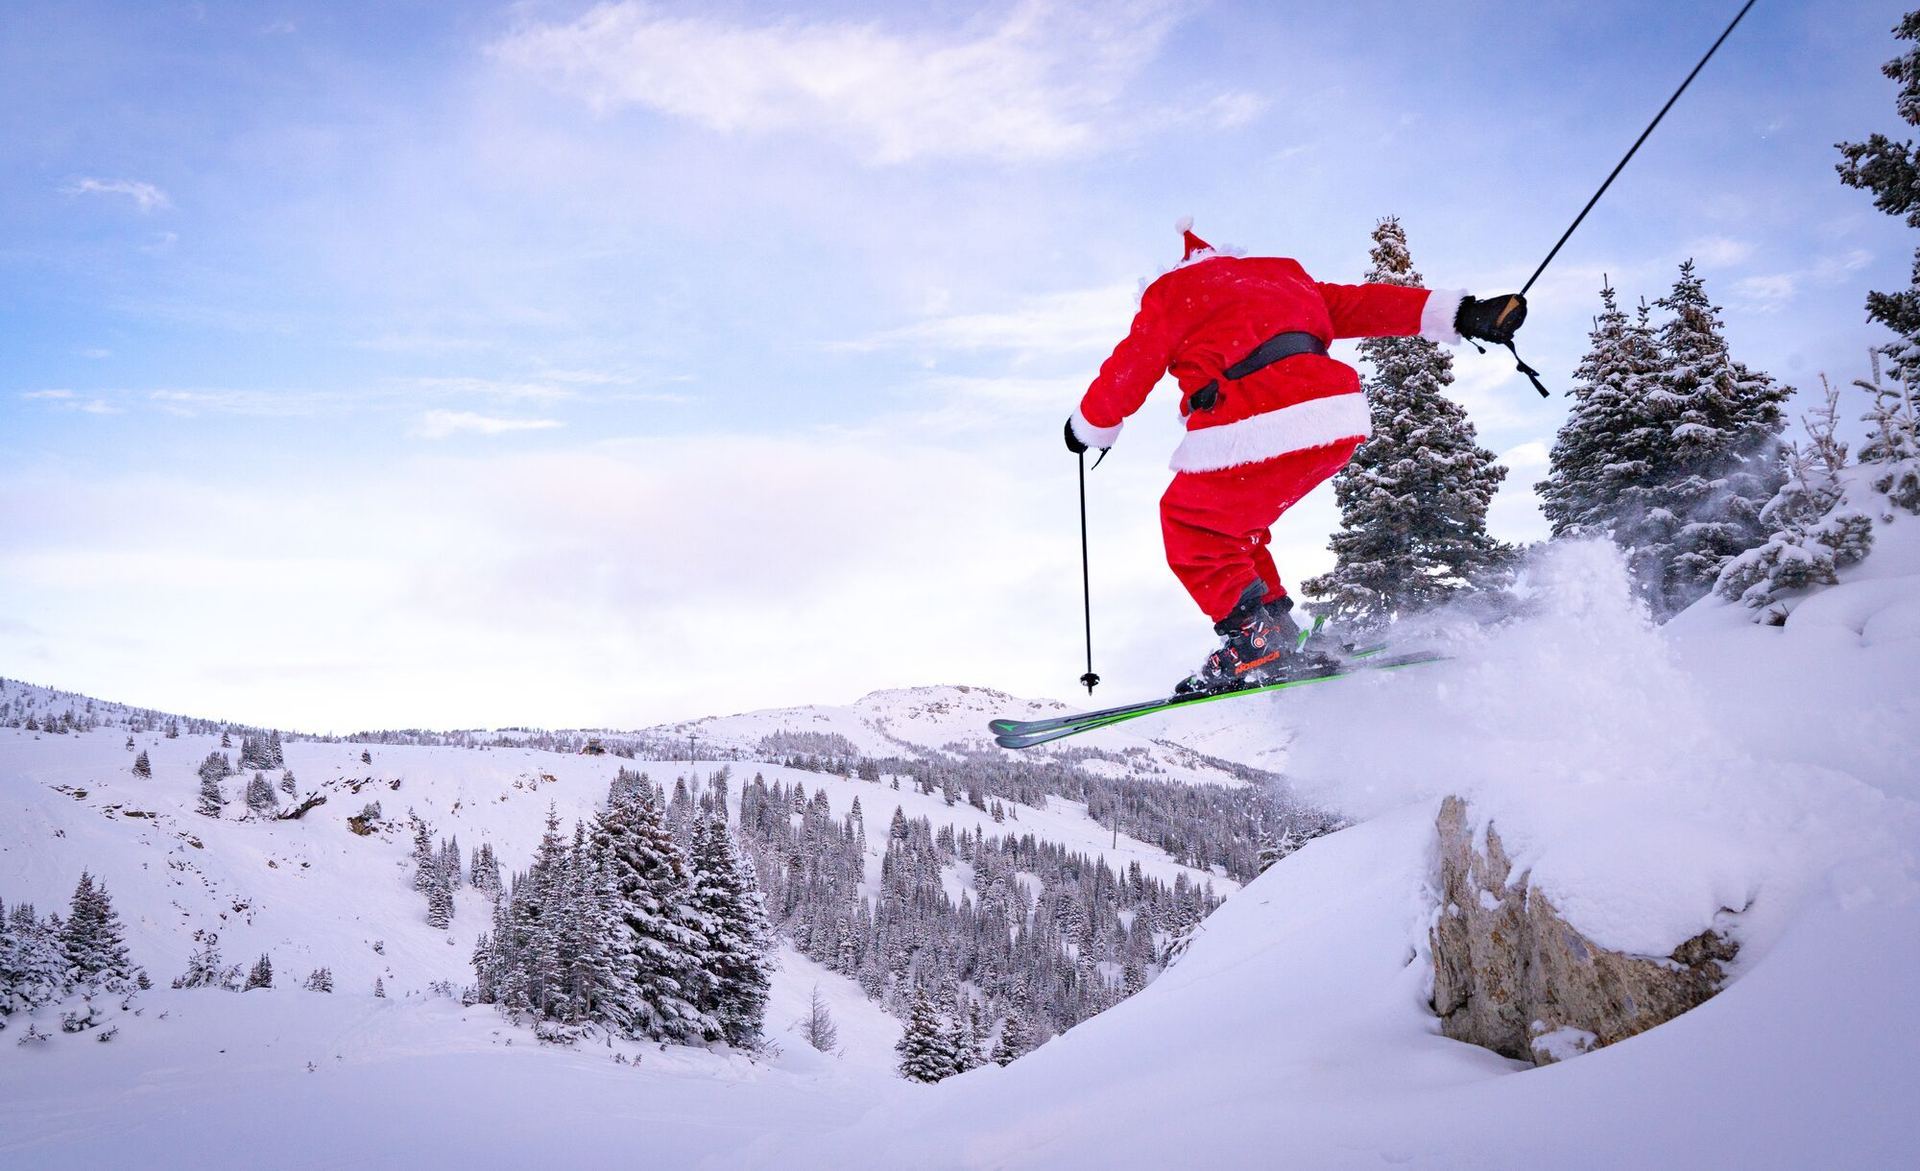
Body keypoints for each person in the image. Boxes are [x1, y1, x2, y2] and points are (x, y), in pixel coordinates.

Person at [1065, 220, 1527, 695]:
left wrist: (1090, 427)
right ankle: (1275, 629)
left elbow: (1129, 368)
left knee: (1189, 522)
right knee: (1232, 529)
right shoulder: (1283, 279)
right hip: (1334, 420)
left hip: (1256, 420)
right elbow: (1362, 304)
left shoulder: (1173, 296)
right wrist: (1461, 312)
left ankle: (1254, 639)